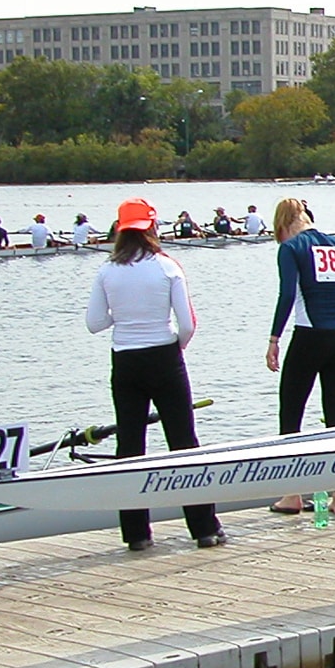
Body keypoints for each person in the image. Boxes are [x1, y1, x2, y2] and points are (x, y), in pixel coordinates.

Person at [85, 198, 224, 550]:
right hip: (165, 357)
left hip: (125, 361)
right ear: (151, 227)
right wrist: (177, 346)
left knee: (130, 446)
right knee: (183, 442)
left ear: (120, 230)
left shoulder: (107, 271)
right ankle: (204, 528)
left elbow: (94, 323)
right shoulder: (167, 267)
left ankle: (136, 534)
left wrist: (124, 315)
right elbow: (188, 324)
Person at [266, 197, 335, 515]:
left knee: (291, 414)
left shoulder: (291, 248)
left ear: (283, 224)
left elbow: (288, 294)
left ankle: (293, 494)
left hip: (309, 338)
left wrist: (274, 339)